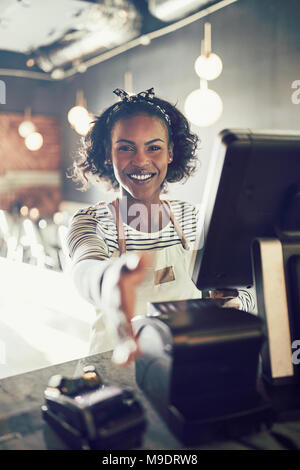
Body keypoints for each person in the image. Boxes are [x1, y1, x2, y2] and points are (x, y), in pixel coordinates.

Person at [67, 87, 256, 365]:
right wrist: (108, 282)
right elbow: (84, 268)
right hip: (114, 370)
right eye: (126, 148)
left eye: (153, 147)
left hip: (185, 365)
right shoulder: (91, 221)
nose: (141, 160)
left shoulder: (197, 220)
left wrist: (236, 303)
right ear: (109, 154)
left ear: (170, 153)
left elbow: (249, 293)